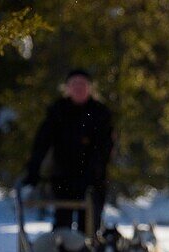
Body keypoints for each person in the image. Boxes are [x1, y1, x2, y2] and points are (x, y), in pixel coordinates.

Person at [24, 68, 114, 233]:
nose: (79, 88)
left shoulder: (101, 113)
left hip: (92, 181)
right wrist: (32, 173)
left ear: (91, 88)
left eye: (83, 84)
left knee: (89, 228)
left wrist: (94, 173)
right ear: (67, 87)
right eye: (75, 84)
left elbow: (105, 148)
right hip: (63, 178)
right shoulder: (58, 111)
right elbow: (42, 143)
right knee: (62, 227)